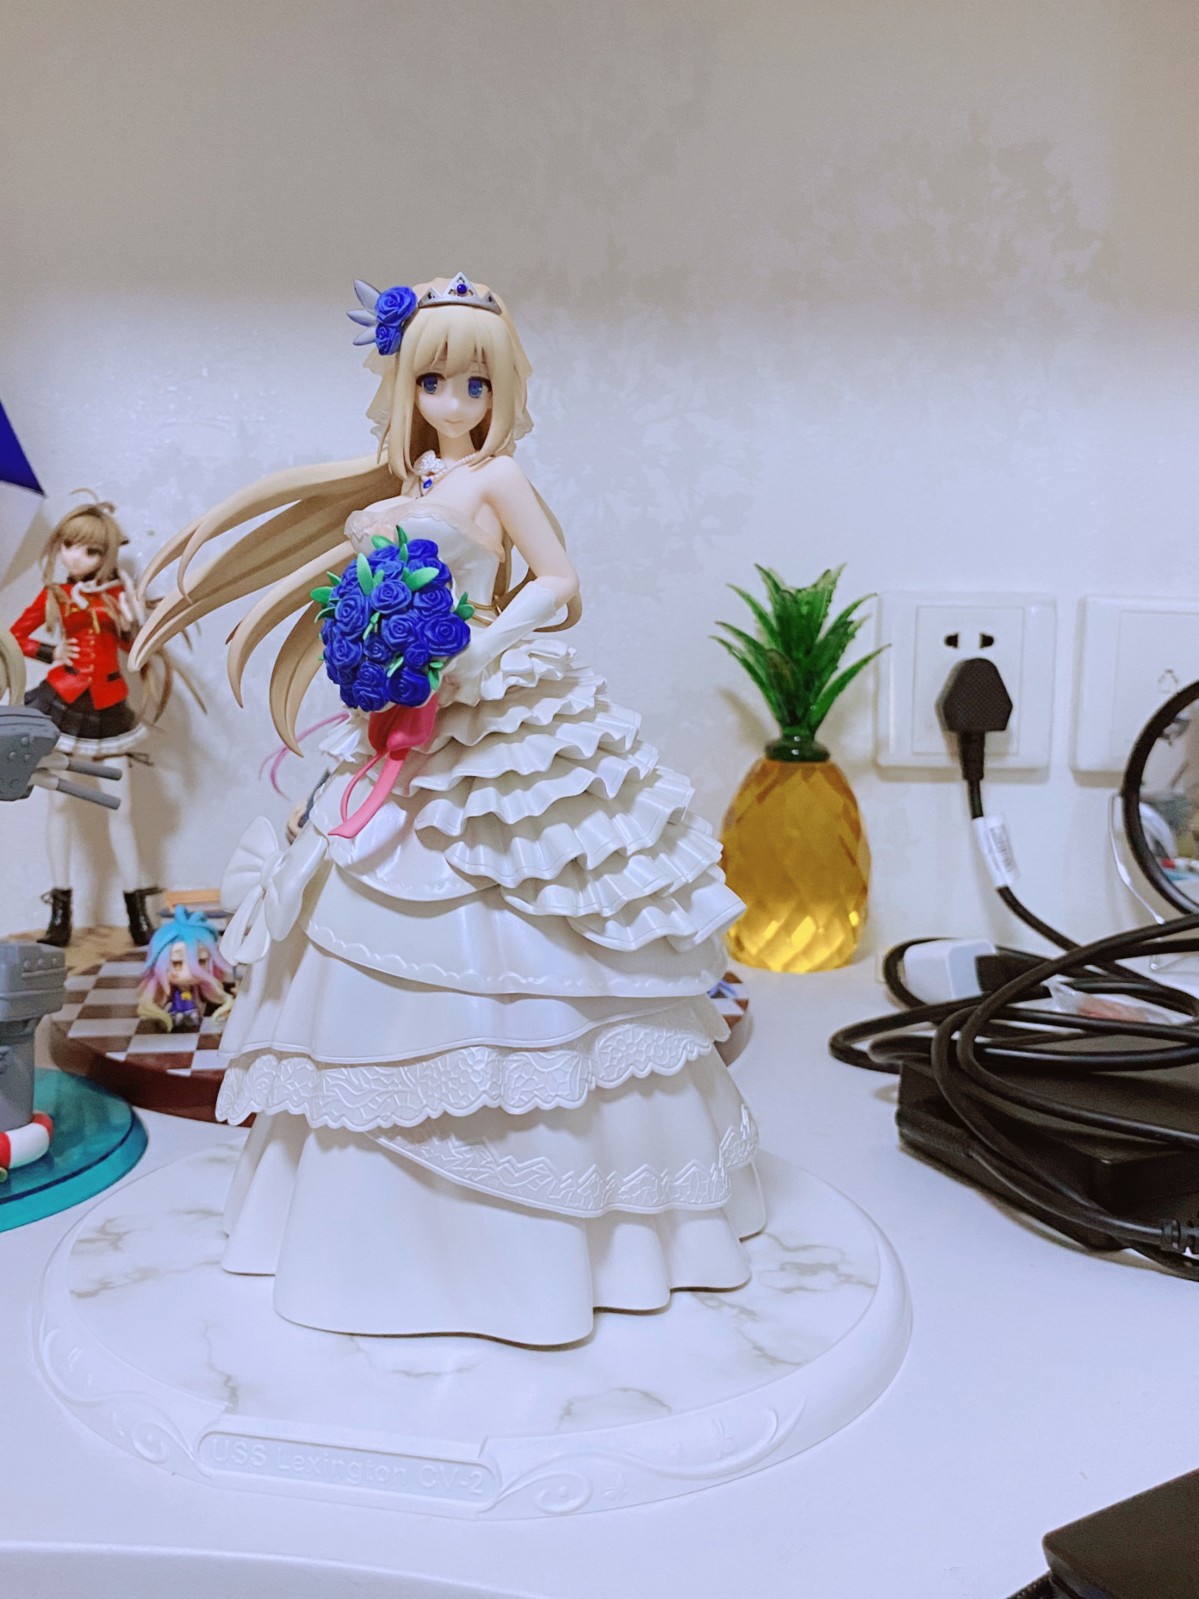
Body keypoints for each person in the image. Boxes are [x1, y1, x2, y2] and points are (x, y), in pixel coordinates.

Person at [132, 274, 763, 1345]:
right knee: (359, 902)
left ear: (500, 390)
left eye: (476, 384)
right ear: (406, 386)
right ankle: (361, 1224)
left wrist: (485, 642)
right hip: (398, 711)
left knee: (527, 895)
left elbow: (557, 580)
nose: (456, 401)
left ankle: (568, 1212)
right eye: (435, 381)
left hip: (484, 696)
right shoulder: (407, 481)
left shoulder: (498, 476)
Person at [10, 496, 162, 946]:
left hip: (109, 709)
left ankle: (137, 913)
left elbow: (137, 654)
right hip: (61, 704)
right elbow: (14, 636)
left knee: (122, 809)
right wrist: (50, 651)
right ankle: (61, 914)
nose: (76, 557)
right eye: (69, 546)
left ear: (107, 555)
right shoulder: (55, 595)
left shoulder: (118, 597)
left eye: (90, 551)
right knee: (58, 807)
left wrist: (134, 623)